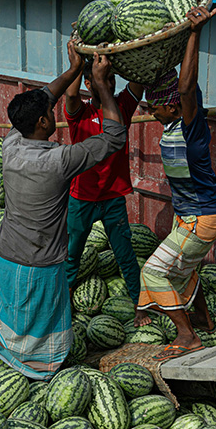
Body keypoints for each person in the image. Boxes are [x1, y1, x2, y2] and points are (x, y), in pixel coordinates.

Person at [0, 43, 127, 379]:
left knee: (3, 303)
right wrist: (99, 85)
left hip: (5, 251)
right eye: (49, 113)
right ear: (43, 121)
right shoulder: (58, 161)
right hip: (39, 261)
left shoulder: (11, 142)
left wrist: (72, 71)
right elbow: (115, 136)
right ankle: (38, 369)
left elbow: (44, 96)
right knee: (40, 320)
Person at [134, 0, 216, 362]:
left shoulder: (192, 128)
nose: (150, 113)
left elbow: (187, 88)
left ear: (172, 108)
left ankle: (187, 336)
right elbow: (177, 83)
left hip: (202, 216)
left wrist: (194, 33)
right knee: (186, 272)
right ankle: (204, 322)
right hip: (190, 215)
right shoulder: (174, 124)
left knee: (155, 272)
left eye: (154, 108)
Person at [63, 57, 144, 302]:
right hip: (82, 197)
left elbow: (139, 81)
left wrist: (133, 50)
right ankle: (63, 303)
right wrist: (76, 63)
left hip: (112, 198)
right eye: (104, 79)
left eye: (112, 79)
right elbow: (70, 94)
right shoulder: (80, 113)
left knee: (125, 255)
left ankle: (139, 304)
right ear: (89, 83)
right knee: (71, 256)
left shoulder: (122, 107)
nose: (110, 84)